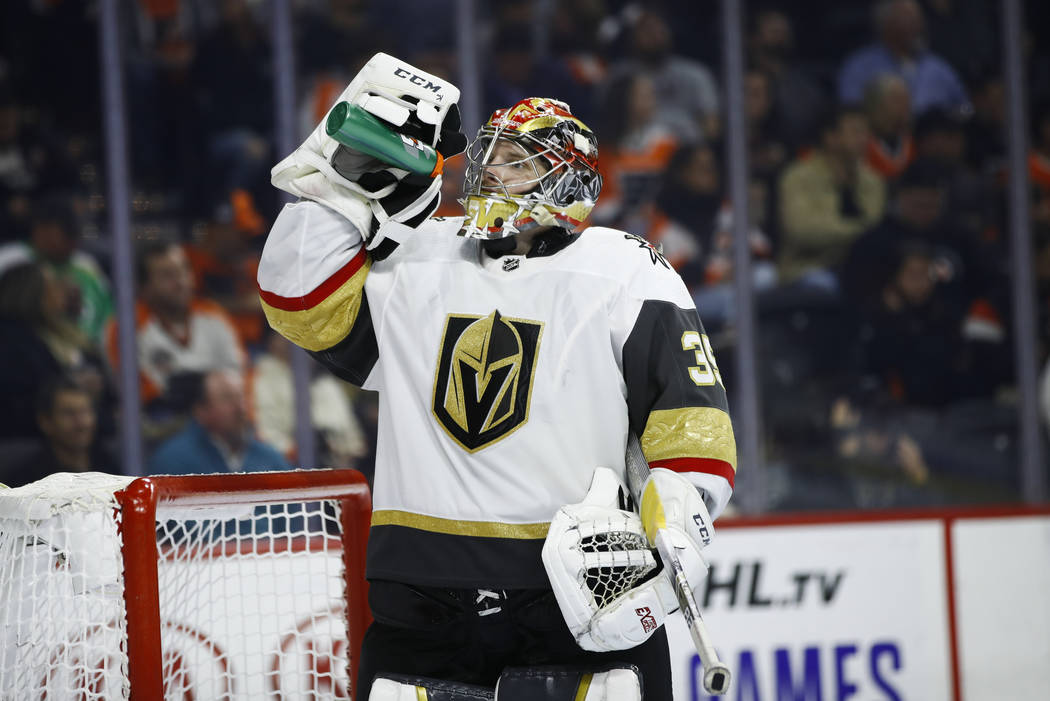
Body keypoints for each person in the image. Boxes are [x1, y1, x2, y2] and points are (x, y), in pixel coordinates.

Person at [258, 55, 736, 700]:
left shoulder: (626, 270)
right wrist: (341, 183)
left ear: (569, 181)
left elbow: (692, 420)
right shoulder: (417, 253)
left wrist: (678, 518)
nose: (492, 172)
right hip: (423, 594)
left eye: (519, 160)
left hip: (576, 594)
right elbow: (296, 302)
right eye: (489, 156)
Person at [104, 240, 246, 413]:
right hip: (161, 424)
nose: (181, 282)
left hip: (221, 417)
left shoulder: (214, 315)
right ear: (144, 287)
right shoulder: (126, 327)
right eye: (167, 276)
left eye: (184, 271)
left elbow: (239, 375)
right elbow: (145, 395)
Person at [777, 106, 886, 290]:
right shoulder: (798, 177)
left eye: (866, 132)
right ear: (831, 137)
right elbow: (801, 231)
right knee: (825, 284)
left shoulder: (873, 181)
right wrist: (858, 231)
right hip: (808, 269)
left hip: (861, 268)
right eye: (855, 132)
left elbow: (877, 229)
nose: (864, 139)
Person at [837, 0, 969, 115]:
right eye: (907, 17)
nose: (916, 25)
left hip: (931, 138)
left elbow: (964, 108)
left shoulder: (937, 66)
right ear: (885, 23)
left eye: (917, 18)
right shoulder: (859, 67)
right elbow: (851, 112)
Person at [148, 368, 289, 475]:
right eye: (227, 398)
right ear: (201, 411)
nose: (240, 407)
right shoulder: (173, 461)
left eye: (242, 396)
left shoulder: (272, 459)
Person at [1, 377, 117, 488]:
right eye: (69, 413)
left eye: (85, 412)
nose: (81, 423)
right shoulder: (26, 481)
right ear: (45, 421)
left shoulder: (112, 466)